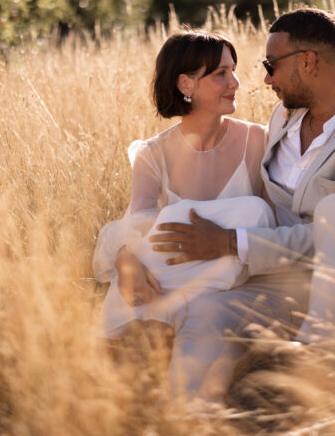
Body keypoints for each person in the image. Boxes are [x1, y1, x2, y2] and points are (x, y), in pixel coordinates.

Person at [150, 8, 335, 400]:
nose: (264, 79)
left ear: (307, 62)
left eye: (270, 65)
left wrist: (232, 242)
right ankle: (187, 412)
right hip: (292, 281)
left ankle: (317, 356)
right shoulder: (282, 117)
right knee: (209, 309)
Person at [91, 31, 272, 341]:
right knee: (155, 241)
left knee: (252, 211)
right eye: (221, 74)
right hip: (174, 270)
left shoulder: (257, 140)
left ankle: (161, 326)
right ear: (186, 84)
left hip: (234, 273)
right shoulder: (153, 153)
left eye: (234, 70)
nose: (235, 82)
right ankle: (127, 340)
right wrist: (125, 259)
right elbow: (138, 222)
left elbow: (271, 223)